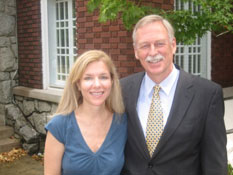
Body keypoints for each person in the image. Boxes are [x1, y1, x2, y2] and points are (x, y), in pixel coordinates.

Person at [120, 14, 227, 175]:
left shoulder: (207, 94)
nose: (153, 52)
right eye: (144, 46)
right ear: (136, 52)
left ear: (173, 45)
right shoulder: (122, 89)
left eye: (159, 43)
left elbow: (215, 164)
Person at [44, 50, 127, 175]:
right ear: (78, 84)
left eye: (103, 77)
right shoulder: (59, 126)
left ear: (112, 81)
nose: (97, 84)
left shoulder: (122, 122)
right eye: (88, 78)